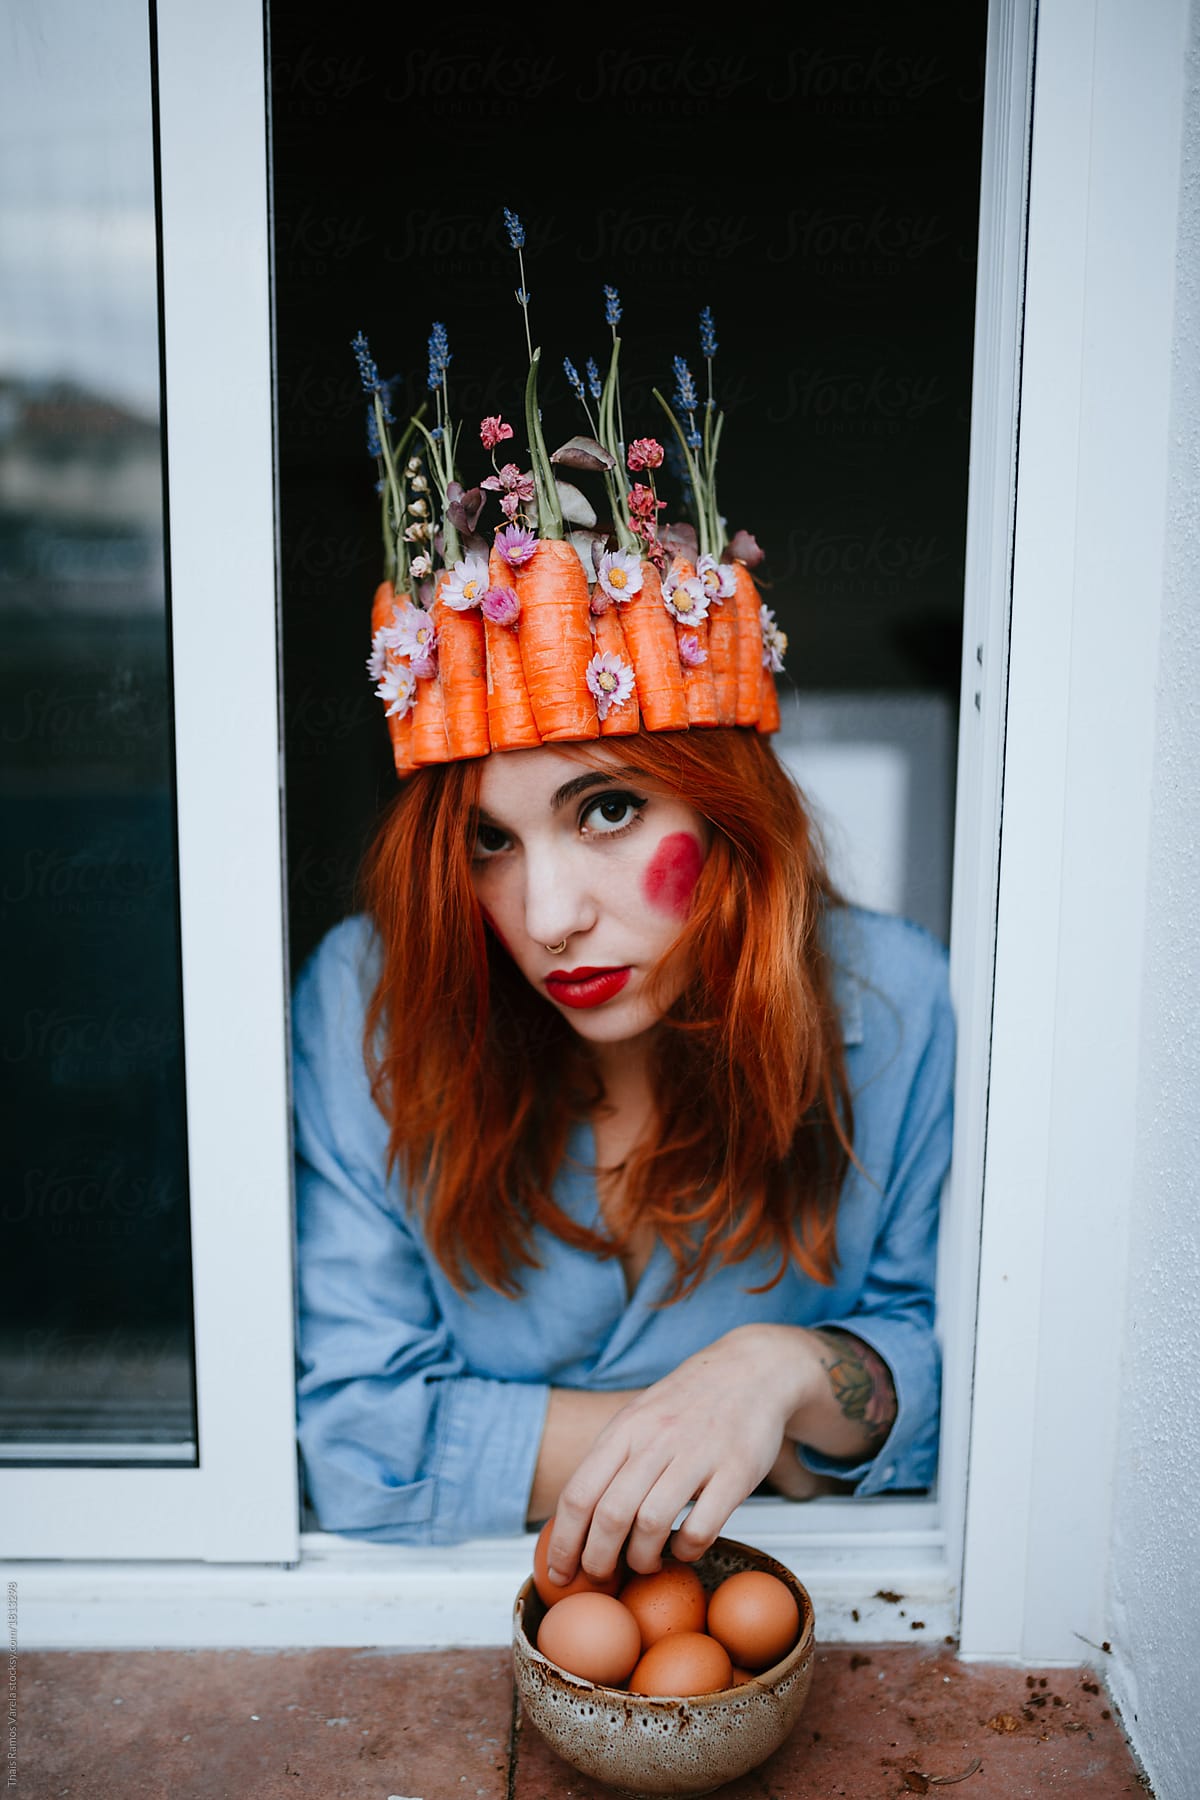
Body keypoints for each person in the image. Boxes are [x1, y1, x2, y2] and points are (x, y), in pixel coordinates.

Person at [292, 276, 953, 1584]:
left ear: (729, 814)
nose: (545, 914)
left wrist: (770, 1367)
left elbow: (971, 1392)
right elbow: (359, 1440)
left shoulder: (896, 1002)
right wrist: (746, 1429)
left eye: (604, 809)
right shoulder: (369, 994)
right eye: (489, 839)